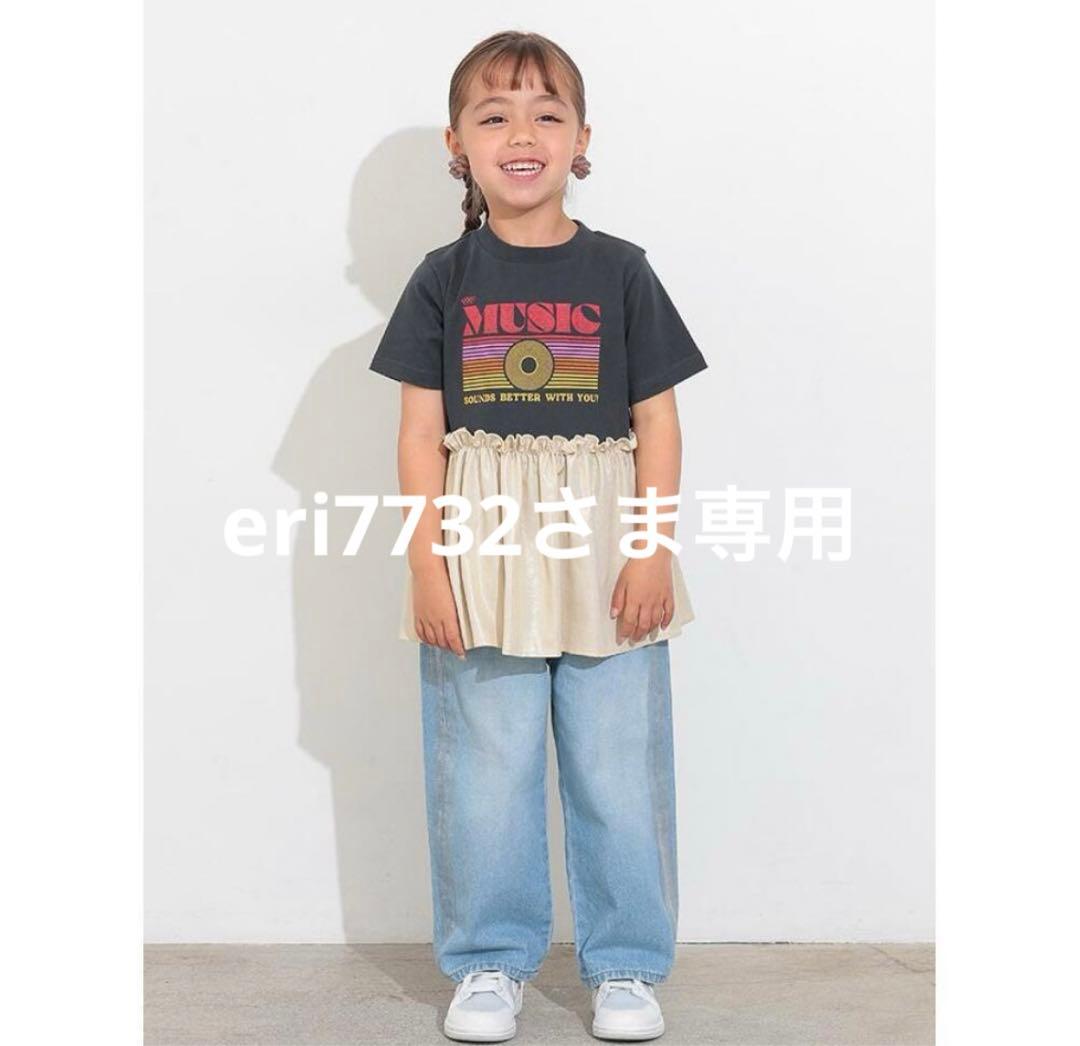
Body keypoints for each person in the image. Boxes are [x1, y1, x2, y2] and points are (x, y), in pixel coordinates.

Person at [369, 30, 708, 1043]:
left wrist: (650, 547)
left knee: (617, 767)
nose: (522, 135)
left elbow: (658, 423)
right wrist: (426, 565)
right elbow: (419, 433)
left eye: (546, 114)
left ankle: (627, 965)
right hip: (479, 552)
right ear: (458, 145)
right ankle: (488, 960)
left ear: (582, 139)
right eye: (495, 115)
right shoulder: (442, 278)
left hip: (603, 550)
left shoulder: (622, 271)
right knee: (484, 768)